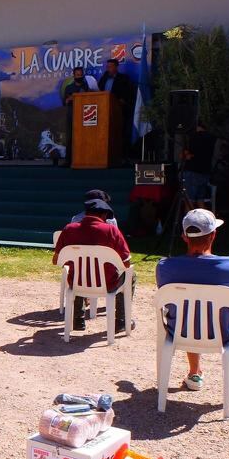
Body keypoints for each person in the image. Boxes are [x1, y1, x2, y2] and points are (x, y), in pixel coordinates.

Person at [156, 209, 229, 392]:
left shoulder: (165, 267)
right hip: (222, 333)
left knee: (190, 313)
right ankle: (196, 373)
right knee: (203, 313)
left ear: (184, 237)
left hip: (180, 331)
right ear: (213, 235)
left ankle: (194, 372)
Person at [53, 197, 134, 333]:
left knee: (77, 271)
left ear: (86, 213)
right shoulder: (111, 231)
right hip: (108, 283)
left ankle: (78, 319)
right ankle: (121, 321)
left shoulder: (69, 229)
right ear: (103, 215)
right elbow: (126, 263)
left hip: (76, 282)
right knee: (131, 275)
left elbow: (56, 261)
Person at [97, 58, 135, 154]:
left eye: (110, 67)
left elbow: (128, 93)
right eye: (107, 67)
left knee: (120, 133)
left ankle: (122, 155)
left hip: (118, 110)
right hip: (104, 110)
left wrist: (121, 100)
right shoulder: (104, 77)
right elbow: (99, 91)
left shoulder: (124, 78)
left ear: (116, 67)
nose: (108, 69)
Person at [62, 66, 97, 167]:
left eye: (81, 75)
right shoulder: (69, 88)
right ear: (74, 76)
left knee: (86, 138)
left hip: (86, 116)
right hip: (72, 115)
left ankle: (85, 159)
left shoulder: (88, 87)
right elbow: (65, 102)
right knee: (70, 138)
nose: (79, 76)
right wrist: (70, 99)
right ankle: (68, 161)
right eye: (77, 75)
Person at [181, 123, 217, 209]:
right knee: (200, 201)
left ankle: (190, 222)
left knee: (189, 202)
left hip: (192, 172)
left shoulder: (193, 137)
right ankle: (203, 221)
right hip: (205, 172)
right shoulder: (211, 138)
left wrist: (184, 155)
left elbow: (187, 156)